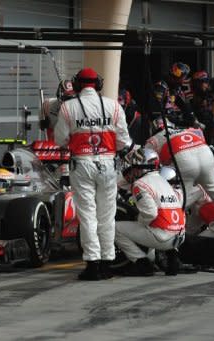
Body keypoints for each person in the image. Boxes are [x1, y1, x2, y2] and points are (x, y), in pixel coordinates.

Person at [54, 67, 132, 280]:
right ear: (98, 84)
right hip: (107, 164)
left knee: (87, 215)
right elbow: (124, 142)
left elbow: (60, 140)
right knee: (107, 216)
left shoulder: (68, 108)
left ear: (78, 85)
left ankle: (93, 264)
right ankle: (108, 263)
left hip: (81, 164)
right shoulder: (113, 106)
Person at [145, 117, 214, 232]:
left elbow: (146, 163)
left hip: (184, 161)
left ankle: (171, 226)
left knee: (180, 195)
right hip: (205, 153)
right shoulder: (187, 130)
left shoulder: (153, 139)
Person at [115, 148, 186, 276]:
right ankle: (172, 258)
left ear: (139, 168)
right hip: (179, 236)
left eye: (134, 168)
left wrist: (138, 220)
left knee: (114, 228)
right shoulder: (163, 181)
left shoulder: (140, 184)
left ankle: (140, 262)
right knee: (160, 221)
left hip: (162, 237)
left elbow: (150, 214)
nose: (132, 172)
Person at [191, 71, 214, 144]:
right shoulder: (191, 96)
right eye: (205, 82)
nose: (206, 84)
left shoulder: (210, 95)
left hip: (209, 128)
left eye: (207, 82)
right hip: (196, 129)